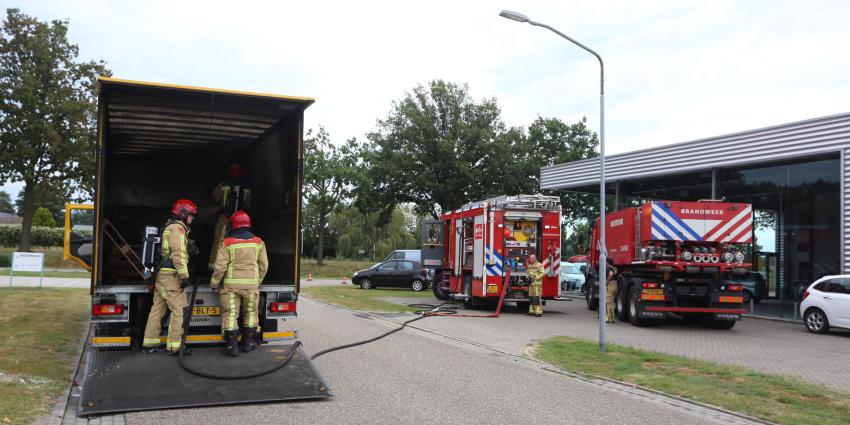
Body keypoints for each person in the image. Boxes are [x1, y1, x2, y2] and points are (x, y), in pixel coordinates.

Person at [142, 199, 198, 355]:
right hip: (171, 276)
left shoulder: (168, 227)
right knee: (178, 309)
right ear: (183, 213)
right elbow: (178, 254)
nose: (192, 219)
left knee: (157, 309)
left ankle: (149, 342)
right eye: (191, 215)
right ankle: (174, 346)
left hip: (162, 275)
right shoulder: (177, 229)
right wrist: (184, 276)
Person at [210, 210, 268, 357]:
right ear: (248, 224)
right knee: (251, 312)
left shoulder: (227, 242)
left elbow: (220, 267)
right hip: (251, 286)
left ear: (233, 225)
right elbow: (264, 265)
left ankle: (232, 347)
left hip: (231, 287)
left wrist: (214, 283)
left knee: (230, 314)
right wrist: (258, 281)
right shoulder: (258, 242)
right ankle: (249, 344)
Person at [209, 163, 252, 271]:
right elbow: (249, 204)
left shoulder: (223, 184)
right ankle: (236, 267)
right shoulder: (246, 186)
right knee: (240, 241)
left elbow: (215, 197)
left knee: (219, 241)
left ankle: (214, 267)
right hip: (241, 220)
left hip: (225, 217)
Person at [605, 258, 618, 323]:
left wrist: (606, 282)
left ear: (607, 262)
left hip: (611, 285)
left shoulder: (609, 268)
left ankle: (609, 318)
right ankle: (612, 318)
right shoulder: (614, 268)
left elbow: (611, 274)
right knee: (612, 303)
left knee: (608, 302)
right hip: (615, 285)